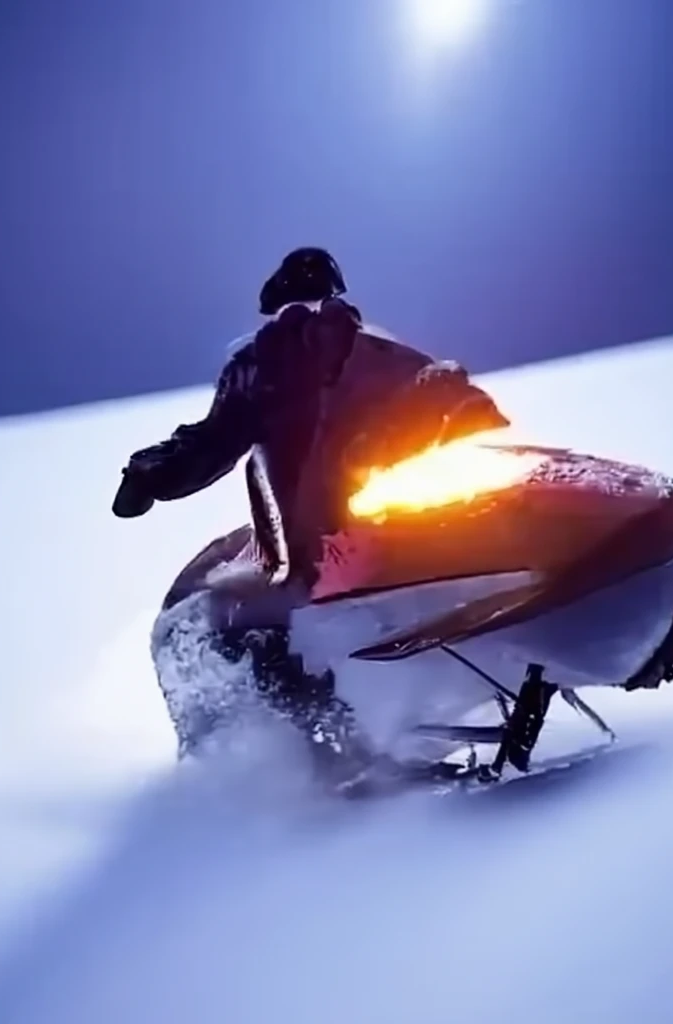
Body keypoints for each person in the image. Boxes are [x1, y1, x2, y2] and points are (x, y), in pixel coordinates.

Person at [112, 248, 508, 787]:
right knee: (262, 628)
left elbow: (433, 387)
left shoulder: (374, 355)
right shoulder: (259, 369)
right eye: (294, 305)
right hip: (303, 541)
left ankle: (503, 661)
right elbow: (213, 439)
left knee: (459, 560)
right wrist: (152, 473)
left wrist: (457, 400)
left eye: (318, 300)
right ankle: (331, 756)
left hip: (386, 518)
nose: (308, 314)